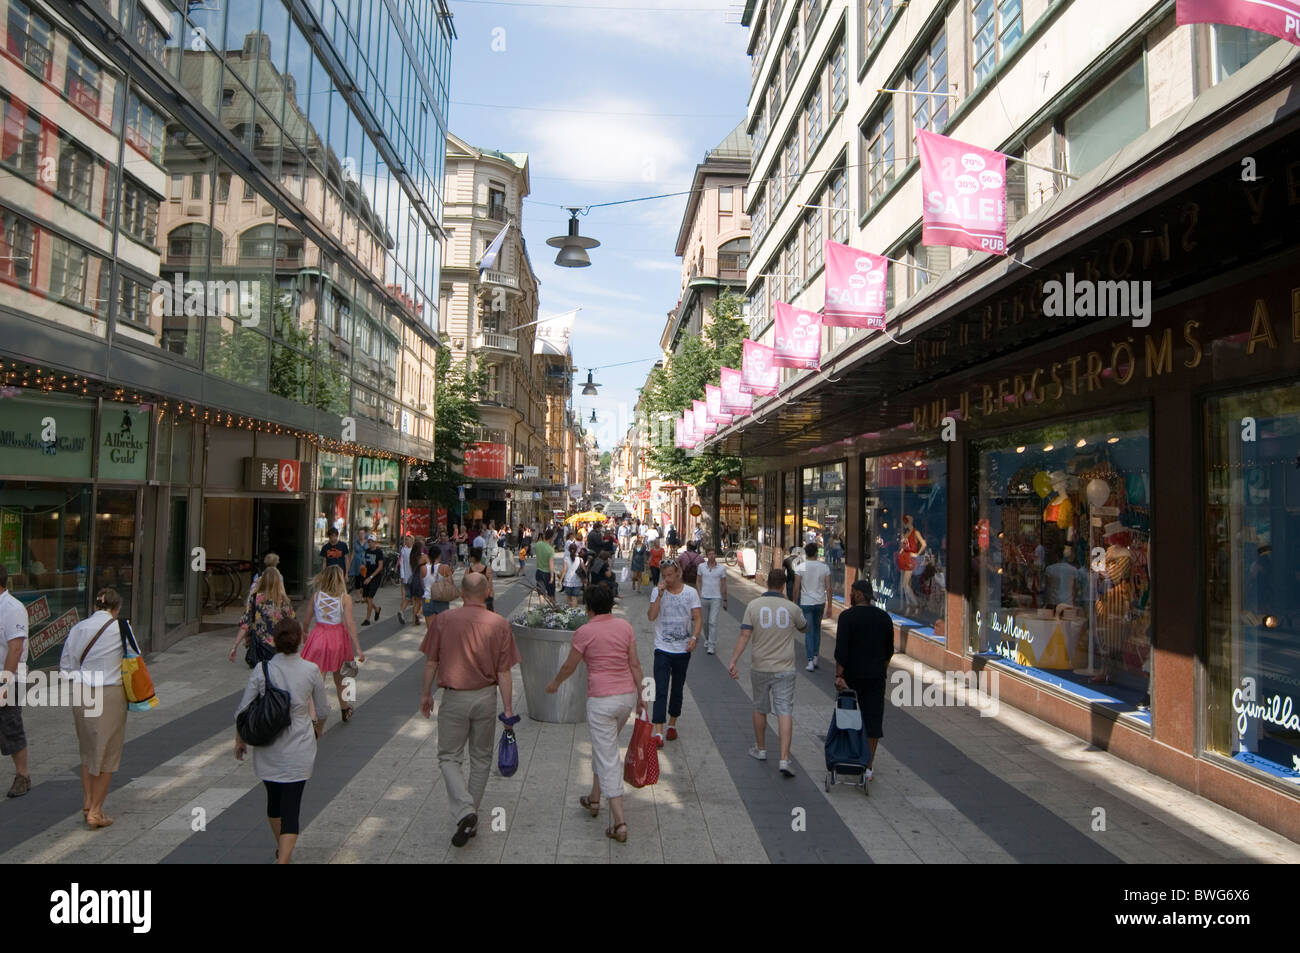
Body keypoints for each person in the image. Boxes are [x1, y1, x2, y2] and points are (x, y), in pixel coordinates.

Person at [419, 572, 520, 848]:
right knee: (481, 758)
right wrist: (508, 709)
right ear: (488, 592)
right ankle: (469, 812)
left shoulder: (443, 621)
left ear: (461, 594)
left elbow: (430, 663)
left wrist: (426, 693)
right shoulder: (499, 624)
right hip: (486, 696)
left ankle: (466, 812)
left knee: (449, 757)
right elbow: (504, 672)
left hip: (454, 697)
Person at [547, 583, 646, 843]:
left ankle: (620, 822)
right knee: (604, 747)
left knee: (607, 755)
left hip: (601, 701)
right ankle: (594, 798)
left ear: (588, 607)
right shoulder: (625, 627)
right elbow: (634, 663)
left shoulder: (584, 632)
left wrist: (555, 683)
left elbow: (570, 665)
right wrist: (642, 697)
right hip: (625, 698)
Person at [235, 617, 329, 864]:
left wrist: (240, 740)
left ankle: (282, 851)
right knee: (292, 805)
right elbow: (323, 709)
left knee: (274, 802)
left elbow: (243, 709)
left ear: (274, 640)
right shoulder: (311, 670)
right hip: (299, 745)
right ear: (300, 640)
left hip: (268, 747)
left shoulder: (263, 669)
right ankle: (283, 859)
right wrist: (318, 728)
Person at [60, 588, 131, 827]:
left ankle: (88, 801)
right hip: (109, 692)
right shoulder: (121, 627)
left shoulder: (78, 628)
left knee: (88, 750)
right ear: (116, 608)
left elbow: (66, 667)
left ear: (94, 606)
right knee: (108, 752)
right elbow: (134, 658)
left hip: (81, 691)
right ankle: (96, 811)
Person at [729, 568, 805, 777]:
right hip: (785, 668)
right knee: (784, 711)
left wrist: (734, 660)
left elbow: (745, 635)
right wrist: (788, 600)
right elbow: (804, 627)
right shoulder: (791, 608)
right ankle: (784, 759)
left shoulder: (754, 606)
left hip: (760, 666)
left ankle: (761, 749)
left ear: (767, 583)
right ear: (783, 586)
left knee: (760, 707)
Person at [834, 580, 896, 777]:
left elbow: (841, 651)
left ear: (860, 594)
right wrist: (881, 670)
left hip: (851, 677)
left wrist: (839, 675)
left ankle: (848, 756)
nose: (850, 595)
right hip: (875, 677)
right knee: (873, 720)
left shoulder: (847, 617)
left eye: (852, 592)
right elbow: (889, 650)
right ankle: (868, 766)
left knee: (847, 717)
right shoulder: (884, 618)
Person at [646, 559, 701, 747]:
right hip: (662, 648)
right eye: (664, 575)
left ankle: (672, 724)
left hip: (683, 649)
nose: (667, 579)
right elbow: (651, 616)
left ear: (678, 574)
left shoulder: (691, 593)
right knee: (660, 688)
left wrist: (694, 638)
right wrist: (659, 596)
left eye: (670, 575)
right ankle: (658, 731)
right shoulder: (657, 591)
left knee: (677, 689)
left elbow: (698, 618)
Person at [300, 566, 365, 722]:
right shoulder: (345, 598)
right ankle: (345, 708)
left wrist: (305, 633)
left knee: (318, 677)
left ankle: (313, 713)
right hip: (338, 639)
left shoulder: (316, 596)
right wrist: (358, 649)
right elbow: (350, 624)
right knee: (342, 677)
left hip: (318, 637)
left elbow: (307, 619)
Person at [0, 566, 29, 798]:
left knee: (10, 726)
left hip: (8, 677)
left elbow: (16, 647)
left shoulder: (13, 609)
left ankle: (22, 776)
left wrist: (5, 681)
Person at [228, 567, 295, 664]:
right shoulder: (283, 600)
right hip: (279, 647)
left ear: (262, 580)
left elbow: (245, 624)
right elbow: (292, 624)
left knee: (261, 674)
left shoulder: (255, 597)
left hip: (259, 647)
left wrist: (234, 647)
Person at [793, 543, 832, 672]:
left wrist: (794, 603)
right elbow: (829, 588)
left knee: (809, 631)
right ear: (816, 553)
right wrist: (830, 605)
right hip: (820, 602)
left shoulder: (801, 567)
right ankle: (815, 656)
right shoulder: (824, 567)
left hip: (806, 602)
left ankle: (810, 660)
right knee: (817, 629)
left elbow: (796, 588)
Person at [697, 548, 729, 655]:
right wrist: (699, 593)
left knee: (712, 622)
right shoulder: (701, 567)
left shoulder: (721, 568)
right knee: (705, 622)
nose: (711, 556)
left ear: (715, 555)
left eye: (713, 554)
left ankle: (711, 645)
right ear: (707, 556)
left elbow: (723, 584)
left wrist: (725, 599)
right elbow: (698, 581)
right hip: (704, 597)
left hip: (716, 597)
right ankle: (707, 639)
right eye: (709, 554)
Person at [359, 533, 385, 625]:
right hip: (367, 576)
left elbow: (380, 567)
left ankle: (367, 619)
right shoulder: (367, 551)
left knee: (369, 598)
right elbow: (366, 564)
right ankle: (377, 609)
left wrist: (371, 577)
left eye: (372, 542)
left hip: (375, 577)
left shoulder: (379, 552)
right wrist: (363, 568)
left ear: (375, 542)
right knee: (365, 598)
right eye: (369, 542)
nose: (370, 544)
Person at [400, 539, 426, 626]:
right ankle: (417, 615)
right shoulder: (423, 557)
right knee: (423, 601)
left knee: (416, 601)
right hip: (421, 580)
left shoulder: (412, 556)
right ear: (420, 548)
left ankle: (414, 620)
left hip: (413, 579)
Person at [468, 546, 495, 613]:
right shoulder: (487, 570)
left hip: (473, 598)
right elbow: (490, 587)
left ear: (472, 558)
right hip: (485, 598)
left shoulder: (468, 570)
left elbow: (466, 587)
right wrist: (490, 599)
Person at [533, 529, 556, 600]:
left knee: (541, 593)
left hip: (539, 572)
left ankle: (542, 608)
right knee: (551, 594)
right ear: (551, 537)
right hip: (548, 573)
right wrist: (552, 576)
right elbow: (551, 564)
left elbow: (536, 551)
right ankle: (553, 609)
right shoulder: (550, 549)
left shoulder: (537, 545)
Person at [397, 534, 414, 623]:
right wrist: (402, 576)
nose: (406, 541)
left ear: (412, 541)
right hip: (409, 578)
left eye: (408, 540)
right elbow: (402, 564)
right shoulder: (403, 550)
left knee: (410, 597)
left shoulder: (415, 550)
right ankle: (415, 616)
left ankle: (402, 612)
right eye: (406, 540)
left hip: (414, 577)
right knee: (410, 597)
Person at [348, 527, 369, 593]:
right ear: (358, 534)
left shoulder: (368, 543)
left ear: (365, 534)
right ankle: (357, 596)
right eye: (360, 533)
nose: (361, 535)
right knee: (357, 578)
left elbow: (370, 553)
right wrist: (350, 563)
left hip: (364, 562)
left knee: (363, 578)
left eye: (362, 533)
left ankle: (362, 595)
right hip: (356, 563)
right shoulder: (355, 543)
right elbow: (353, 553)